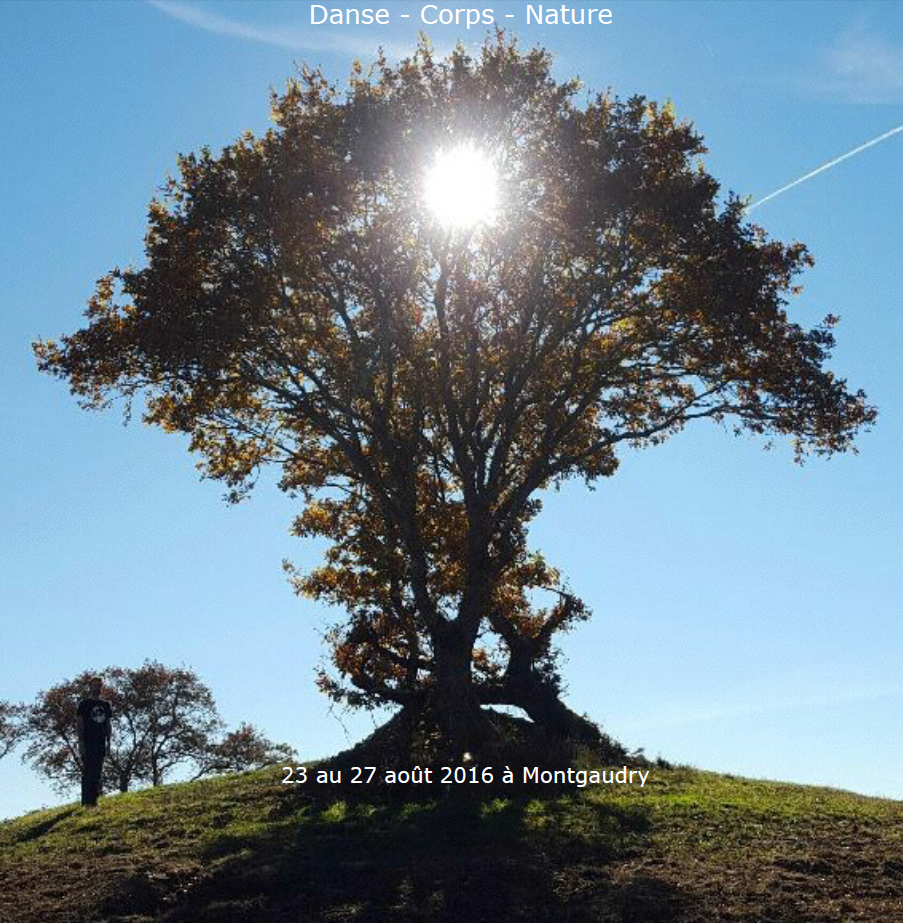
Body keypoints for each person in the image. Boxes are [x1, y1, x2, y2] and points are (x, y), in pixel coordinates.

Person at [76, 676, 112, 807]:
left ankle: (94, 800)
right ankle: (86, 801)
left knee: (98, 771)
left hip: (100, 741)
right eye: (94, 685)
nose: (97, 688)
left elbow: (108, 724)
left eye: (99, 685)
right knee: (88, 771)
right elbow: (79, 723)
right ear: (90, 687)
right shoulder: (84, 704)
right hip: (87, 740)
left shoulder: (105, 705)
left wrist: (108, 742)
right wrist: (81, 742)